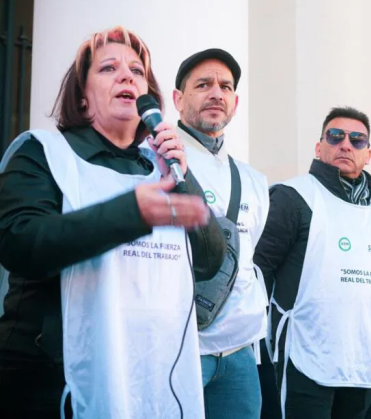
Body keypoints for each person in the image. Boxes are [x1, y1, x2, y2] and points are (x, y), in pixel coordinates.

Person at [0, 26, 226, 419]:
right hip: (51, 377)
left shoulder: (161, 167)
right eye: (108, 68)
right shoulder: (43, 153)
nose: (127, 76)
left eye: (137, 71)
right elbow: (21, 244)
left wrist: (183, 175)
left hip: (148, 377)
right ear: (83, 98)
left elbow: (208, 261)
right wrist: (132, 213)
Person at [254, 107, 371, 419]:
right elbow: (258, 270)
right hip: (303, 357)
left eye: (357, 140)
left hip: (362, 363)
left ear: (368, 154)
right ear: (319, 148)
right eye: (336, 136)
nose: (346, 144)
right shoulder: (294, 196)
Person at [173, 48, 269, 419]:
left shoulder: (255, 181)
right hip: (179, 348)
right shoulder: (155, 160)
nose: (216, 92)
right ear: (179, 100)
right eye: (203, 84)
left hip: (240, 352)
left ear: (235, 101)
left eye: (225, 86)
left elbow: (248, 258)